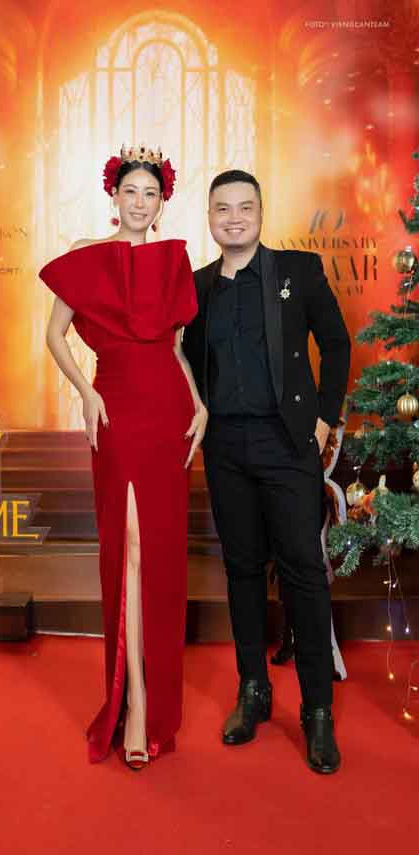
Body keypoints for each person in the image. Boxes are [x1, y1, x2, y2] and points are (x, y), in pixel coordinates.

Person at [39, 145, 208, 769]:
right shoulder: (86, 255)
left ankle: (148, 702)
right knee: (128, 547)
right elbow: (54, 335)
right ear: (114, 195)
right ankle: (132, 699)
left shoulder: (174, 260)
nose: (140, 202)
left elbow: (177, 349)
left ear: (162, 203)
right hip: (114, 408)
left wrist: (200, 404)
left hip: (168, 413)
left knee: (157, 552)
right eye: (131, 191)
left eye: (151, 194)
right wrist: (85, 393)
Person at [182, 170, 350, 774]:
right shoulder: (196, 288)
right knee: (242, 568)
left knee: (303, 571)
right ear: (209, 217)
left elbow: (337, 345)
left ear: (260, 212)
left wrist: (325, 420)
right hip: (226, 447)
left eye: (244, 207)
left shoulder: (297, 272)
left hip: (287, 445)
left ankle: (318, 711)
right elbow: (181, 360)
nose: (234, 218)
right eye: (222, 208)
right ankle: (253, 689)